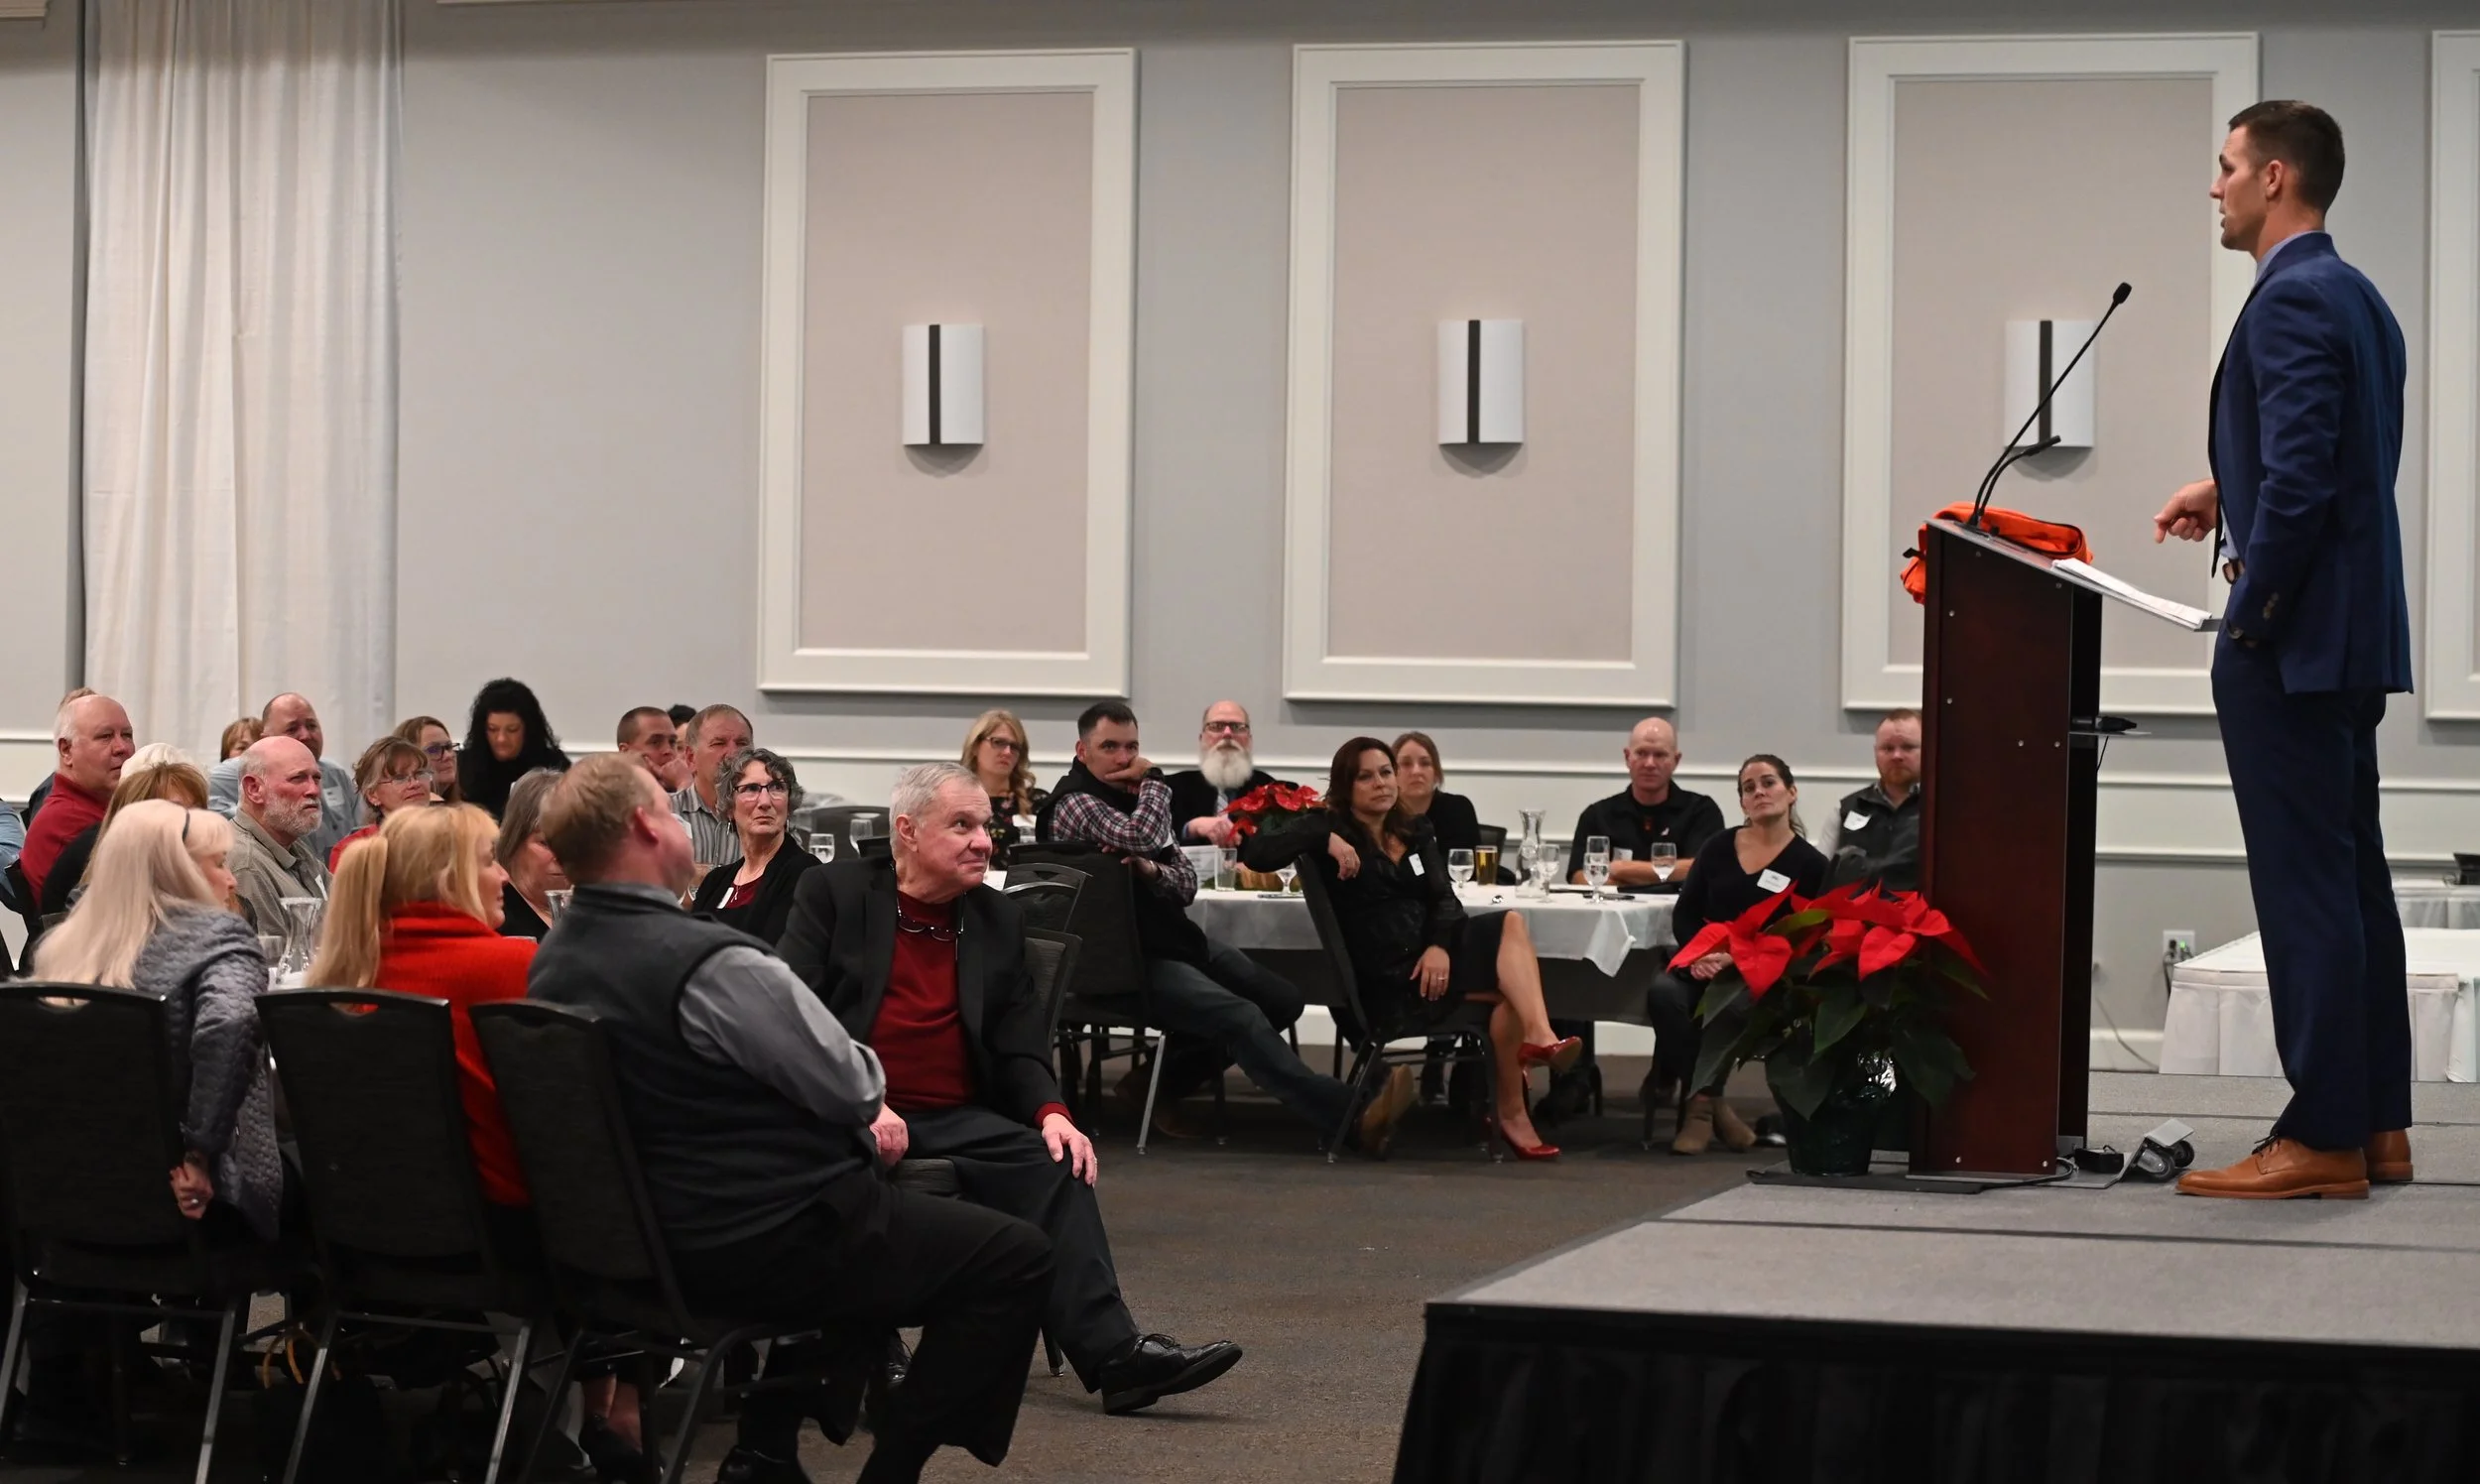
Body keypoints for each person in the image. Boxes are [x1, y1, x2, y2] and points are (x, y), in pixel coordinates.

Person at [528, 755, 1054, 1484]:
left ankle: (768, 1446)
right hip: (746, 1242)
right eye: (674, 811)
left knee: (884, 1214)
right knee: (1011, 1257)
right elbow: (856, 1082)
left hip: (619, 1244)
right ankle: (891, 1465)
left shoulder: (552, 958)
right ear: (646, 828)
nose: (689, 824)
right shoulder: (711, 964)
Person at [781, 762, 1244, 1414]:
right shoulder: (834, 893)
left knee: (1058, 1161)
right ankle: (870, 1347)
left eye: (986, 826)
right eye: (962, 826)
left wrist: (1053, 1112)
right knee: (835, 1167)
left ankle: (1117, 1358)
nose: (982, 842)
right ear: (907, 833)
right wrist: (861, 1100)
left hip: (955, 1113)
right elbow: (794, 1015)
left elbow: (1018, 1046)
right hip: (849, 1108)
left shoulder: (995, 918)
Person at [2152, 102, 2412, 1200]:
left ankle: (2321, 1134)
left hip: (2291, 647)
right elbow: (2329, 461)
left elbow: (2306, 486)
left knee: (2306, 890)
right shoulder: (2357, 297)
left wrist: (2249, 618)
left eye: (2222, 169)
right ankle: (2378, 1121)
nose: (2212, 188)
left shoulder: (2289, 297)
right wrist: (2229, 486)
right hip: (2347, 639)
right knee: (2351, 881)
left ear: (2272, 177)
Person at [307, 803, 648, 1473]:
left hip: (365, 1243)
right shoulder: (509, 968)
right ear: (448, 878)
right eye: (489, 861)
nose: (501, 877)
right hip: (506, 1244)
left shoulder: (339, 974)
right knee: (633, 1186)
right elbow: (578, 1118)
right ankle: (616, 1415)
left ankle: (595, 1412)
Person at [1038, 703, 1385, 1149]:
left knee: (1282, 1000)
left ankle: (1154, 1083)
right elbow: (1144, 837)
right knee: (1238, 1016)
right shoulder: (1074, 802)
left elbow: (1183, 883)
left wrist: (1152, 872)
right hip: (1118, 961)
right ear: (1081, 751)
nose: (1125, 759)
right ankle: (1348, 1114)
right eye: (1110, 747)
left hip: (1169, 940)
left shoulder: (1137, 802)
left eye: (1132, 748)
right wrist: (1154, 782)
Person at [1243, 740, 1581, 1159]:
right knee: (1506, 994)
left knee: (1510, 923)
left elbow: (1445, 901)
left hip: (1429, 960)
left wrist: (1439, 946)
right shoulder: (1331, 831)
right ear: (1345, 786)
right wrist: (1324, 835)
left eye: (1386, 772)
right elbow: (1255, 853)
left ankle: (1537, 1045)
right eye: (1365, 776)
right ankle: (1516, 1104)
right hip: (1388, 979)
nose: (1381, 783)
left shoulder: (1414, 829)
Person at [35, 800, 279, 1239]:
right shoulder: (219, 939)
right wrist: (201, 1154)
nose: (231, 879)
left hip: (62, 1194)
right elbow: (231, 1025)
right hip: (191, 1195)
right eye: (219, 864)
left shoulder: (65, 945)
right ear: (176, 871)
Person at [1649, 755, 1828, 1156]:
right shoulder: (1717, 848)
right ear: (1743, 803)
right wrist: (1703, 955)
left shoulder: (1811, 864)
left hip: (1765, 976)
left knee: (1730, 1000)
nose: (1760, 792)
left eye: (1769, 783)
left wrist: (1738, 963)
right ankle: (1719, 1108)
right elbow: (1686, 913)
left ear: (1791, 792)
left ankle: (1698, 1110)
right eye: (1749, 788)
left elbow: (1809, 940)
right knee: (1663, 994)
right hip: (1705, 961)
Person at [38, 747, 212, 918]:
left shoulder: (204, 873)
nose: (193, 824)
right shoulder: (102, 905)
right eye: (176, 813)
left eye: (199, 813)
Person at [1566, 717, 1726, 888]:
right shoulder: (1597, 815)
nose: (1649, 763)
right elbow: (1579, 876)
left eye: (1659, 755)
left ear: (1676, 760)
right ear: (1628, 757)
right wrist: (1665, 878)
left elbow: (1705, 868)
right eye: (1641, 753)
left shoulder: (1701, 811)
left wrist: (1622, 869)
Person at [206, 693, 360, 866]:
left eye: (311, 726)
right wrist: (269, 818)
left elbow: (360, 832)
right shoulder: (234, 772)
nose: (305, 735)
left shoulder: (336, 774)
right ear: (266, 739)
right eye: (292, 729)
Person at [690, 748, 820, 945]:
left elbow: (774, 952)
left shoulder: (805, 873)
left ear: (789, 803)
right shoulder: (715, 881)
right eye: (751, 789)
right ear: (730, 807)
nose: (765, 802)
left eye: (777, 787)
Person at [21, 692, 136, 906]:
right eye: (105, 736)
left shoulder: (99, 808)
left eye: (127, 735)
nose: (123, 748)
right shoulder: (66, 823)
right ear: (66, 750)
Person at [226, 737, 333, 932]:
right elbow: (272, 957)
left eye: (316, 778)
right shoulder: (246, 865)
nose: (314, 790)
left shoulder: (290, 841)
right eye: (298, 778)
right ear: (254, 789)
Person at [1819, 709, 1923, 892]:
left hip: (1922, 917)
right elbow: (1822, 875)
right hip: (1856, 917)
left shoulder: (1943, 809)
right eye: (1888, 748)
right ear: (1876, 753)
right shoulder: (1844, 810)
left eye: (1907, 747)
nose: (1896, 756)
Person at [1162, 701, 1288, 846]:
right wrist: (1190, 829)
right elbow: (1153, 843)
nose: (1227, 734)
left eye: (1237, 727)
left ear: (1249, 740)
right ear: (1201, 738)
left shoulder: (1271, 791)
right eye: (1216, 726)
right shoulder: (1171, 788)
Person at [456, 678, 571, 819]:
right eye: (492, 729)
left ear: (528, 729)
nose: (501, 739)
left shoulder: (553, 766)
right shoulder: (464, 767)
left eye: (512, 730)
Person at [325, 737, 435, 870]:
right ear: (373, 795)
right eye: (400, 778)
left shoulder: (452, 835)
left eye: (420, 774)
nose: (415, 783)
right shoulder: (351, 850)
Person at [671, 703, 754, 867]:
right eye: (719, 743)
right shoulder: (665, 812)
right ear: (691, 758)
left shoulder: (770, 813)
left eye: (742, 743)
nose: (733, 753)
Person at [961, 709, 1048, 864]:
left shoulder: (1038, 802)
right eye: (998, 742)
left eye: (1014, 746)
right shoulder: (956, 801)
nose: (1007, 752)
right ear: (975, 746)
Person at [493, 770, 569, 941]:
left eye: (572, 841)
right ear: (514, 840)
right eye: (546, 843)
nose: (563, 854)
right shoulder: (494, 912)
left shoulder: (591, 906)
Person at [1390, 731, 1481, 855]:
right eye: (1406, 764)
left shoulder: (1458, 809)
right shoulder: (1383, 813)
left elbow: (1464, 866)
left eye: (1425, 763)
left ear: (1436, 773)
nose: (1416, 771)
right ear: (1391, 773)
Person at [616, 705, 692, 793]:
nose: (668, 751)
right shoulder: (610, 798)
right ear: (626, 752)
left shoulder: (678, 787)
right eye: (655, 742)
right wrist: (685, 784)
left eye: (672, 742)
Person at [394, 715, 465, 804]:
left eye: (449, 747)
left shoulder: (465, 809)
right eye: (434, 749)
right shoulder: (405, 816)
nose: (448, 755)